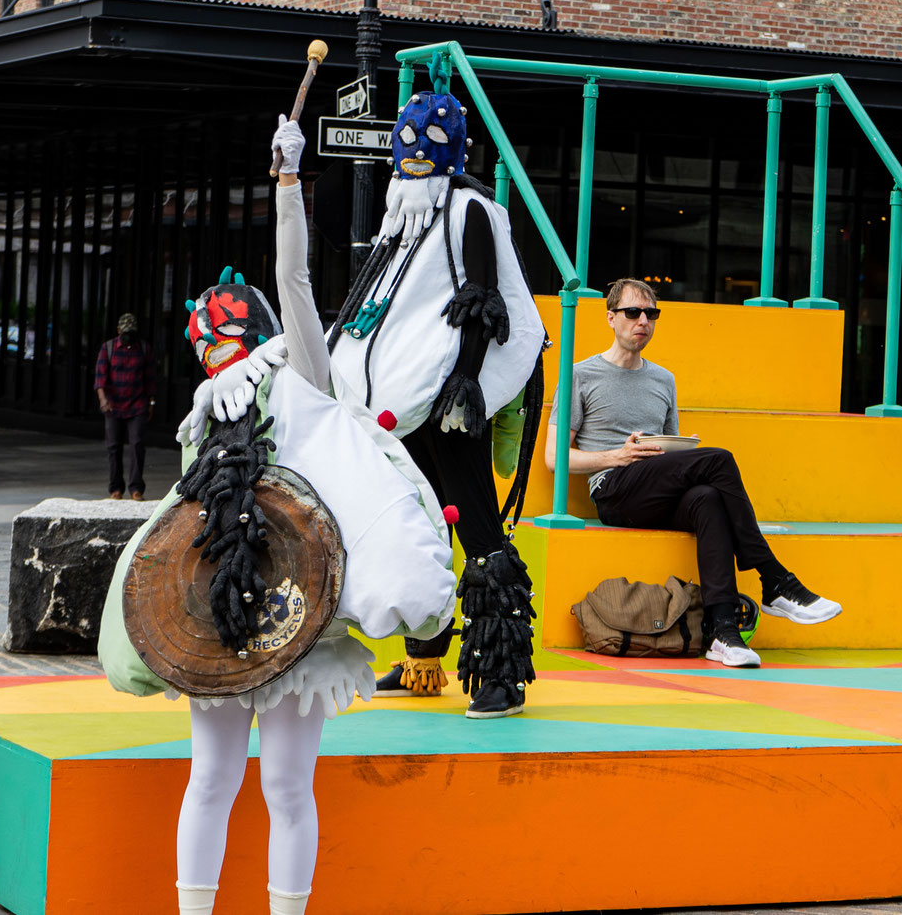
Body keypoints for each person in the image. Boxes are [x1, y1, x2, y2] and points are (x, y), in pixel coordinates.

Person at [98, 115, 456, 915]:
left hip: (299, 606)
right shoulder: (202, 418)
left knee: (285, 783)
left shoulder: (302, 374)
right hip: (220, 611)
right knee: (217, 779)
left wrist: (288, 186)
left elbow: (294, 280)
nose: (215, 344)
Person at [329, 84, 548, 719]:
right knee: (421, 521)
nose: (415, 157)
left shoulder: (471, 210)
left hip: (452, 395)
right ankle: (425, 657)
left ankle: (500, 675)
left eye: (428, 145)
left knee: (476, 523)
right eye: (407, 145)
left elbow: (485, 299)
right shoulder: (403, 215)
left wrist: (470, 380)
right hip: (402, 396)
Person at [562, 277, 843, 669]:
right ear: (610, 318)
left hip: (656, 488)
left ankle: (723, 632)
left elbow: (667, 448)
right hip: (613, 489)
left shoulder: (663, 379)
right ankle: (774, 578)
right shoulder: (580, 374)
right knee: (720, 459)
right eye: (632, 312)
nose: (642, 320)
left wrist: (680, 449)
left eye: (651, 313)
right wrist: (617, 456)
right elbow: (556, 459)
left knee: (708, 499)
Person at [96, 312, 154, 499]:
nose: (128, 335)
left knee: (137, 445)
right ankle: (116, 488)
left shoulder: (143, 348)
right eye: (125, 331)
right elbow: (100, 378)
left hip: (137, 404)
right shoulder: (108, 348)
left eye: (131, 332)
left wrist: (151, 404)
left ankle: (136, 487)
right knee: (114, 447)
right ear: (119, 330)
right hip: (113, 406)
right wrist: (103, 399)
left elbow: (150, 380)